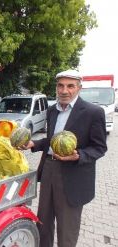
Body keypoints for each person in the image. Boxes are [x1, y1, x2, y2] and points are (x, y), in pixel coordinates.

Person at [23, 69, 107, 247]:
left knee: (66, 229)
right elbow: (51, 139)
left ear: (79, 88)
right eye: (61, 85)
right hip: (49, 170)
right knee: (43, 221)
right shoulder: (52, 110)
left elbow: (99, 147)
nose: (64, 90)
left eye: (70, 86)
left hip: (73, 175)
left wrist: (79, 155)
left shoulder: (93, 112)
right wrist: (34, 144)